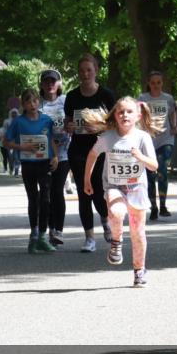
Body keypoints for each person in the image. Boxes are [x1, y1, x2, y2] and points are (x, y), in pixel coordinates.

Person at [82, 98, 160, 287]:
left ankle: (139, 270)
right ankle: (116, 242)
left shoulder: (143, 138)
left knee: (138, 232)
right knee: (116, 213)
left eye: (129, 112)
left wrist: (141, 156)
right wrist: (87, 179)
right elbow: (92, 154)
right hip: (114, 186)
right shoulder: (107, 137)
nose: (124, 115)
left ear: (138, 116)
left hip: (136, 189)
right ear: (115, 116)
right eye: (120, 112)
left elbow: (154, 166)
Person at [64, 53, 115, 253]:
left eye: (89, 70)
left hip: (100, 149)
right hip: (78, 149)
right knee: (83, 193)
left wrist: (99, 127)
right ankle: (89, 238)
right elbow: (68, 121)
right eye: (82, 71)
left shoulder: (106, 95)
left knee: (98, 191)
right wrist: (69, 126)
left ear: (96, 71)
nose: (85, 74)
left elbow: (114, 122)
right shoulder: (72, 96)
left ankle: (105, 218)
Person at [4, 89, 58, 253]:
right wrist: (22, 147)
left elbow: (52, 140)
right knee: (33, 199)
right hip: (28, 164)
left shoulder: (47, 120)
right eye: (28, 102)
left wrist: (55, 157)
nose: (32, 105)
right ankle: (34, 235)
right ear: (23, 105)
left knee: (46, 199)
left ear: (38, 102)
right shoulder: (19, 122)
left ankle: (42, 235)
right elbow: (6, 142)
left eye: (35, 101)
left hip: (44, 164)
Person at [138, 71, 177, 219]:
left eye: (158, 83)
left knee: (162, 169)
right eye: (153, 83)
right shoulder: (143, 98)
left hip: (166, 139)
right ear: (149, 83)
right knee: (150, 175)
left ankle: (163, 205)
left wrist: (174, 126)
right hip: (148, 141)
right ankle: (153, 206)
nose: (156, 85)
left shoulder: (168, 98)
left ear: (162, 83)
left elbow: (173, 113)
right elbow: (137, 114)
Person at [38, 69, 71, 245]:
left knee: (57, 190)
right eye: (46, 81)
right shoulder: (38, 104)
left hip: (64, 153)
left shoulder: (66, 101)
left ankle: (58, 229)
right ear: (41, 84)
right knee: (46, 193)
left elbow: (75, 121)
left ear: (58, 84)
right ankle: (47, 229)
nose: (50, 84)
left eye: (53, 81)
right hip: (43, 155)